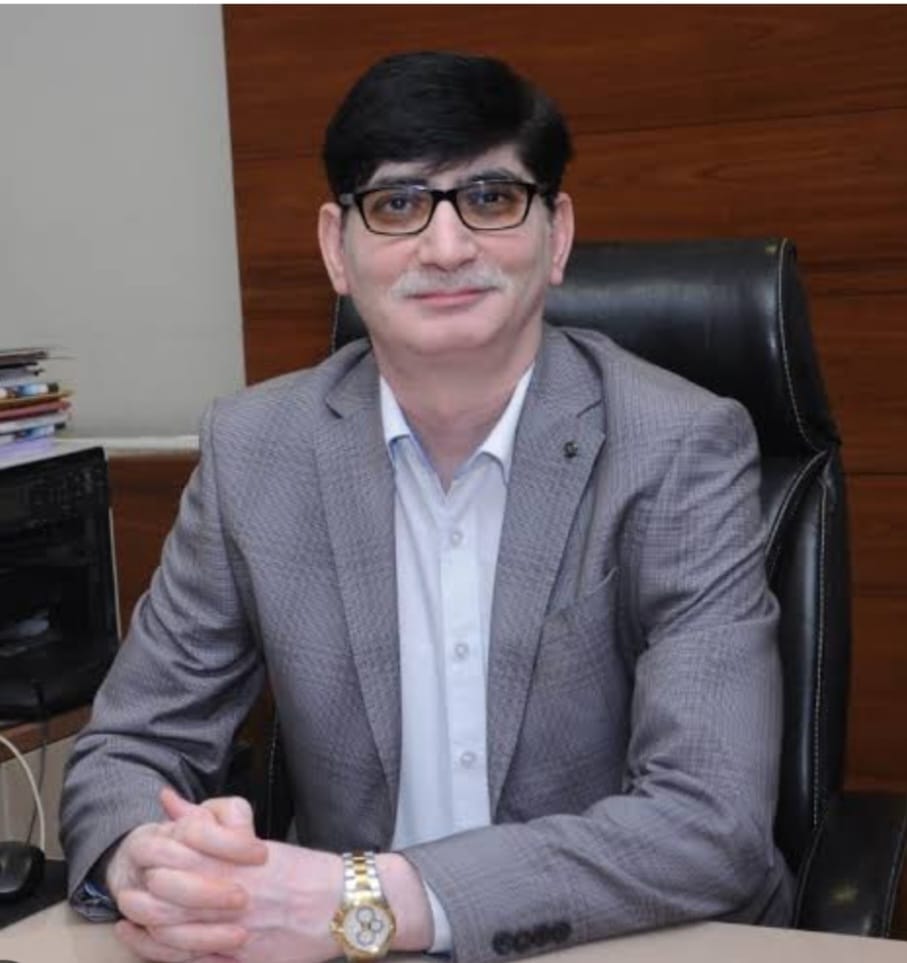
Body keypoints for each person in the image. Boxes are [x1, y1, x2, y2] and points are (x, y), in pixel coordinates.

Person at [60, 50, 792, 963]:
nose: (446, 248)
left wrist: (360, 899)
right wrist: (150, 858)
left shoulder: (677, 446)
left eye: (490, 197)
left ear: (557, 235)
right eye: (398, 204)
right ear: (337, 248)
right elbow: (125, 749)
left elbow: (709, 822)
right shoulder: (257, 452)